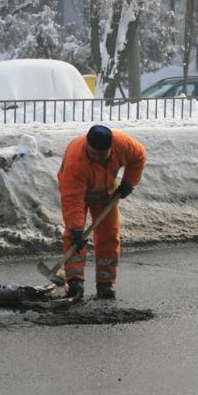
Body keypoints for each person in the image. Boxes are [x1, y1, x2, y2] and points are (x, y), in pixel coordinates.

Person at [57, 125, 147, 299]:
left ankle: (106, 283)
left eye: (103, 154)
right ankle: (75, 282)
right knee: (74, 235)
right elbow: (72, 198)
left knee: (109, 234)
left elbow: (139, 156)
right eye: (94, 154)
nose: (98, 158)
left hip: (106, 191)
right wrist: (76, 228)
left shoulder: (122, 144)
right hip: (78, 192)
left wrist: (129, 182)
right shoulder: (76, 162)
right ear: (88, 147)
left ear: (111, 148)